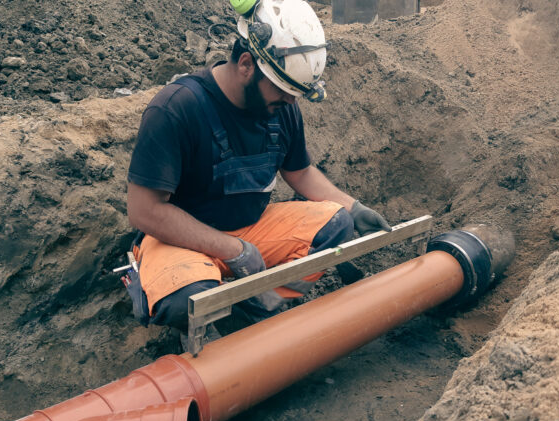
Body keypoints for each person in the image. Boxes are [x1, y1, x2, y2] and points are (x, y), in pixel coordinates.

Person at [126, 0, 390, 332]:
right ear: (247, 64)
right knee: (191, 300)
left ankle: (255, 314)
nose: (290, 102)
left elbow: (300, 172)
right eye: (282, 90)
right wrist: (233, 250)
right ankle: (210, 311)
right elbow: (144, 211)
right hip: (180, 242)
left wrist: (353, 207)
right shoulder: (176, 108)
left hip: (250, 231)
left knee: (335, 226)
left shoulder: (280, 108)